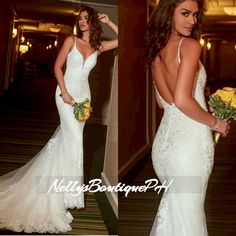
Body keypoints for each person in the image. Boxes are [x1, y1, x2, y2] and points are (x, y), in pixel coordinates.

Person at [0, 4, 118, 233]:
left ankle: (61, 194)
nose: (82, 22)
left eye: (86, 19)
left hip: (84, 99)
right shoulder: (71, 41)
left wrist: (110, 22)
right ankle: (61, 197)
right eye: (80, 19)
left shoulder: (97, 46)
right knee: (73, 142)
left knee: (68, 144)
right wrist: (64, 92)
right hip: (65, 95)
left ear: (93, 22)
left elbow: (121, 40)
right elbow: (56, 67)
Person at [145, 0, 230, 235]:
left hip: (163, 148)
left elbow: (163, 103)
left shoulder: (156, 52)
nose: (192, 20)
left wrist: (204, 107)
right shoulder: (189, 46)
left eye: (195, 14)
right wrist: (217, 123)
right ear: (168, 12)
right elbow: (182, 100)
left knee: (176, 216)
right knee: (187, 220)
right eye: (185, 13)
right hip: (189, 147)